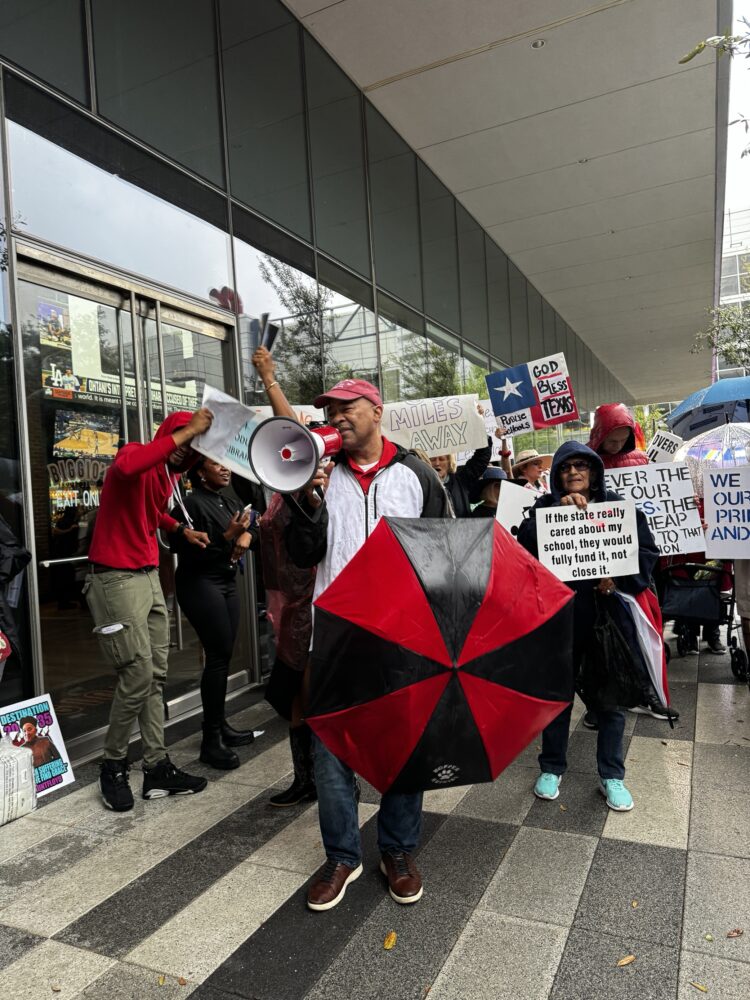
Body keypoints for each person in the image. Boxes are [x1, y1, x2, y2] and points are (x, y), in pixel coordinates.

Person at [286, 377, 451, 912]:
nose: (336, 418)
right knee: (331, 746)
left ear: (377, 411)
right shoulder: (317, 475)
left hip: (404, 633)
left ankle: (398, 850)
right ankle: (342, 855)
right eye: (329, 411)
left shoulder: (416, 473)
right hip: (335, 633)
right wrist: (305, 497)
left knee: (402, 744)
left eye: (346, 408)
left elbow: (445, 551)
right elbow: (302, 554)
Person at [517, 441, 660, 812]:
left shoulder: (619, 509)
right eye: (566, 468)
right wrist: (552, 513)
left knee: (610, 700)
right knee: (557, 698)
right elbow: (523, 550)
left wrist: (620, 579)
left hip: (607, 620)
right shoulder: (545, 508)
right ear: (557, 476)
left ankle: (612, 775)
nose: (574, 473)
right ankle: (551, 767)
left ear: (595, 471)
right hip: (560, 621)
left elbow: (646, 554)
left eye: (582, 466)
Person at [85, 408, 215, 812]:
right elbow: (127, 469)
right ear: (169, 434)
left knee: (155, 675)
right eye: (182, 438)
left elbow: (149, 510)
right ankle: (113, 763)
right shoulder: (137, 454)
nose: (186, 449)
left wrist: (178, 529)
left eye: (194, 445)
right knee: (137, 672)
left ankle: (156, 766)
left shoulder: (166, 475)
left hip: (148, 576)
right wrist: (188, 430)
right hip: (114, 578)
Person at [251, 346, 319, 807]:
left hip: (312, 608)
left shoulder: (306, 492)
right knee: (294, 698)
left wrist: (270, 380)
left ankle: (327, 777)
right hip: (285, 608)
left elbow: (291, 435)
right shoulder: (276, 497)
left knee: (310, 698)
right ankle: (306, 779)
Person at [172, 458, 257, 770]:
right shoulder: (190, 504)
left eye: (226, 465)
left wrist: (247, 536)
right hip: (200, 583)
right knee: (218, 656)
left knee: (224, 654)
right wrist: (227, 535)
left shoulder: (227, 499)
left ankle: (220, 726)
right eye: (216, 464)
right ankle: (211, 742)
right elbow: (180, 547)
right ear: (199, 471)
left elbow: (255, 518)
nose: (225, 469)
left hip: (226, 581)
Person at [429, 429, 492, 517]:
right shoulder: (423, 485)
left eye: (441, 459)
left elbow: (482, 457)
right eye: (432, 460)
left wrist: (478, 426)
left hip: (462, 529)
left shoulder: (462, 479)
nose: (437, 463)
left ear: (449, 462)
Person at [587, 403, 648, 469]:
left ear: (630, 436)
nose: (618, 446)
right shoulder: (582, 460)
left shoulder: (642, 459)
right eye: (612, 441)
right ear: (599, 437)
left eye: (624, 439)